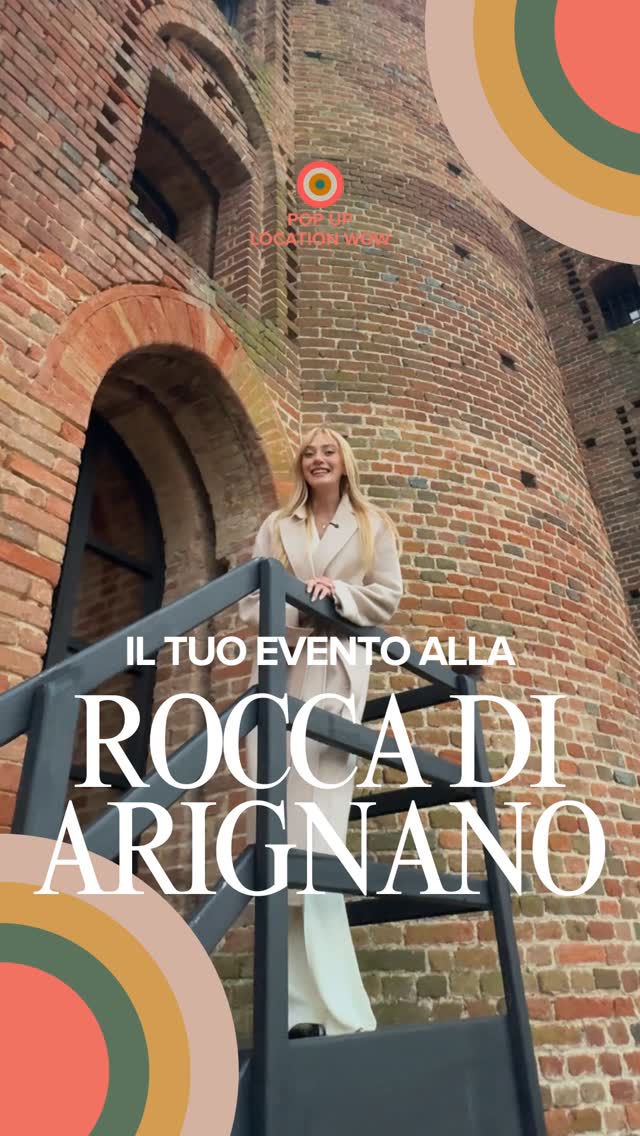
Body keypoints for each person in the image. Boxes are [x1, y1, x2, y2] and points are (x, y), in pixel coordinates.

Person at [239, 425, 403, 1039]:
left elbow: (387, 596)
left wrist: (340, 599)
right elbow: (253, 606)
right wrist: (297, 603)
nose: (317, 459)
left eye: (327, 451)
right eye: (308, 452)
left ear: (344, 462)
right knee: (277, 826)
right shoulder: (277, 529)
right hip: (285, 672)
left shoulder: (372, 526)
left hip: (334, 672)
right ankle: (292, 1008)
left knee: (320, 832)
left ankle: (338, 1008)